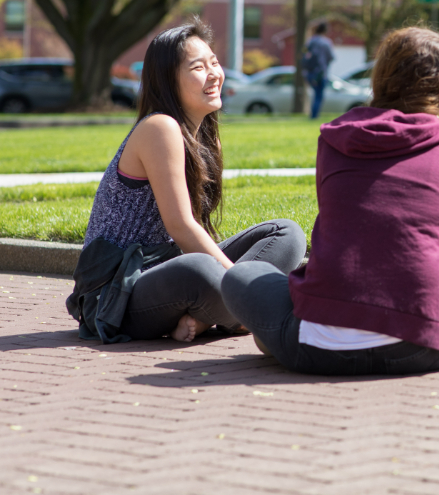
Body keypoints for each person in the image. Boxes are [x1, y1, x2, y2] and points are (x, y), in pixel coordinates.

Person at [222, 27, 439, 375]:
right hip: (422, 348)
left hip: (317, 348)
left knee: (243, 274)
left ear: (382, 77)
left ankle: (271, 336)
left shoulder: (334, 139)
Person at [66, 20, 306, 343]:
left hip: (167, 269)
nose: (214, 74)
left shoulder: (204, 137)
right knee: (200, 272)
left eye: (214, 63)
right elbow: (181, 225)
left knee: (287, 234)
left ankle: (211, 317)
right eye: (198, 67)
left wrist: (237, 283)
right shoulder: (159, 128)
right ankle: (239, 309)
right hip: (118, 290)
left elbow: (193, 232)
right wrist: (242, 284)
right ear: (168, 80)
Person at [303, 22, 336, 119]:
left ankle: (313, 114)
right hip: (321, 73)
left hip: (310, 73)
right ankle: (314, 116)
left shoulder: (311, 41)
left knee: (315, 94)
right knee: (319, 95)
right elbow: (331, 57)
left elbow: (304, 54)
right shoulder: (326, 42)